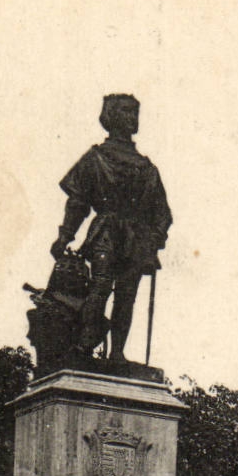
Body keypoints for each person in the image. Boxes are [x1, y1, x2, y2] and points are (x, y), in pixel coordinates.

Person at [52, 93, 173, 362]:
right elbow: (78, 202)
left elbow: (163, 214)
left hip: (135, 239)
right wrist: (64, 236)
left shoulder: (147, 168)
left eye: (135, 112)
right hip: (105, 233)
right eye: (127, 112)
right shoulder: (95, 158)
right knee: (101, 287)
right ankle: (84, 346)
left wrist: (153, 240)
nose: (133, 118)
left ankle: (117, 352)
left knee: (126, 296)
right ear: (111, 117)